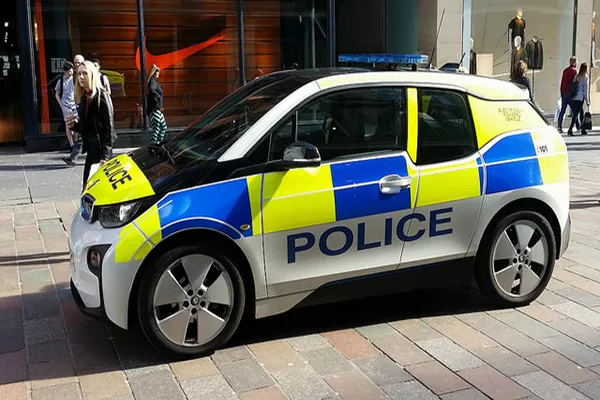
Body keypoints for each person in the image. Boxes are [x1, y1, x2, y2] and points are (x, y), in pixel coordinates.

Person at [63, 60, 116, 188]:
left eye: (85, 73)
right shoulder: (84, 97)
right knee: (87, 188)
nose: (81, 77)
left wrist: (106, 157)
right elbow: (86, 127)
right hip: (91, 150)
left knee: (98, 189)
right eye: (79, 73)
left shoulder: (102, 96)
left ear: (92, 75)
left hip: (100, 151)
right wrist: (73, 126)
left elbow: (110, 129)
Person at [54, 61, 77, 149]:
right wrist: (61, 104)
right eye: (69, 71)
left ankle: (75, 141)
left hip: (74, 104)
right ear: (65, 71)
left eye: (72, 71)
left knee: (75, 124)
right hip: (66, 105)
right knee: (68, 124)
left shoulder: (74, 79)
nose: (71, 73)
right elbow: (57, 93)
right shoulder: (61, 80)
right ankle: (71, 144)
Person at [146, 64, 167, 144]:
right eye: (158, 73)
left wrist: (160, 106)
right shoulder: (152, 81)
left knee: (163, 127)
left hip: (157, 109)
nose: (159, 74)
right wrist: (158, 98)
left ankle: (158, 143)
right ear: (155, 73)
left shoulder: (153, 81)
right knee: (157, 128)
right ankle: (154, 144)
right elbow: (152, 90)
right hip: (154, 110)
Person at [567, 62, 590, 136]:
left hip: (574, 97)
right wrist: (587, 100)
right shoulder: (585, 77)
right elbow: (585, 89)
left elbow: (573, 86)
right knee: (576, 114)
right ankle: (570, 129)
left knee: (581, 112)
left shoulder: (577, 76)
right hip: (580, 98)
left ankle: (582, 129)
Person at [557, 56, 578, 133]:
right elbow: (575, 83)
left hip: (564, 92)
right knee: (575, 109)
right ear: (574, 62)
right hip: (570, 93)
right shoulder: (574, 71)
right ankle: (578, 125)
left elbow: (562, 82)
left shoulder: (565, 70)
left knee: (563, 109)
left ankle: (559, 126)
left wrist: (561, 91)